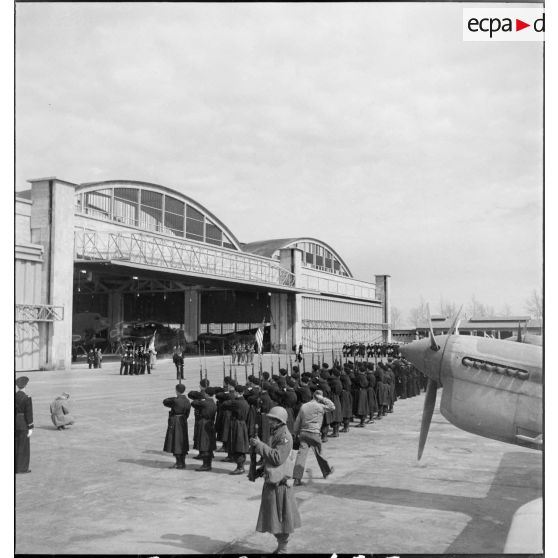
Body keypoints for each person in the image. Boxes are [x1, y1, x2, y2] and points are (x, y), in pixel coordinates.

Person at [250, 406, 301, 554]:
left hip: (281, 484)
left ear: (279, 421)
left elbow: (278, 458)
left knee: (280, 518)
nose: (269, 422)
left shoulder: (284, 436)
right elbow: (272, 459)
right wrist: (260, 470)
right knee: (274, 518)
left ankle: (283, 548)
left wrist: (260, 446)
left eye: (272, 419)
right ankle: (281, 546)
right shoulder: (276, 433)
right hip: (273, 481)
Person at [292, 390, 335, 485]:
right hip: (314, 433)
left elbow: (298, 421)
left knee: (301, 455)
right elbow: (332, 407)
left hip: (303, 433)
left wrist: (295, 433)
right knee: (319, 453)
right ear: (319, 397)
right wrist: (323, 399)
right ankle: (326, 472)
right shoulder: (320, 407)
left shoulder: (304, 406)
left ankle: (297, 479)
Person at [163, 383, 191, 469]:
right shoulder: (187, 400)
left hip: (176, 421)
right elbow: (187, 413)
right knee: (182, 441)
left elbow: (165, 402)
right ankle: (182, 462)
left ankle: (179, 463)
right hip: (183, 420)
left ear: (177, 390)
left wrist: (174, 397)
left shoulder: (175, 401)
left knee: (176, 442)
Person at [15, 376, 34, 473]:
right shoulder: (27, 398)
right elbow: (28, 414)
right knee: (23, 447)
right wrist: (30, 427)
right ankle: (21, 468)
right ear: (25, 385)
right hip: (23, 424)